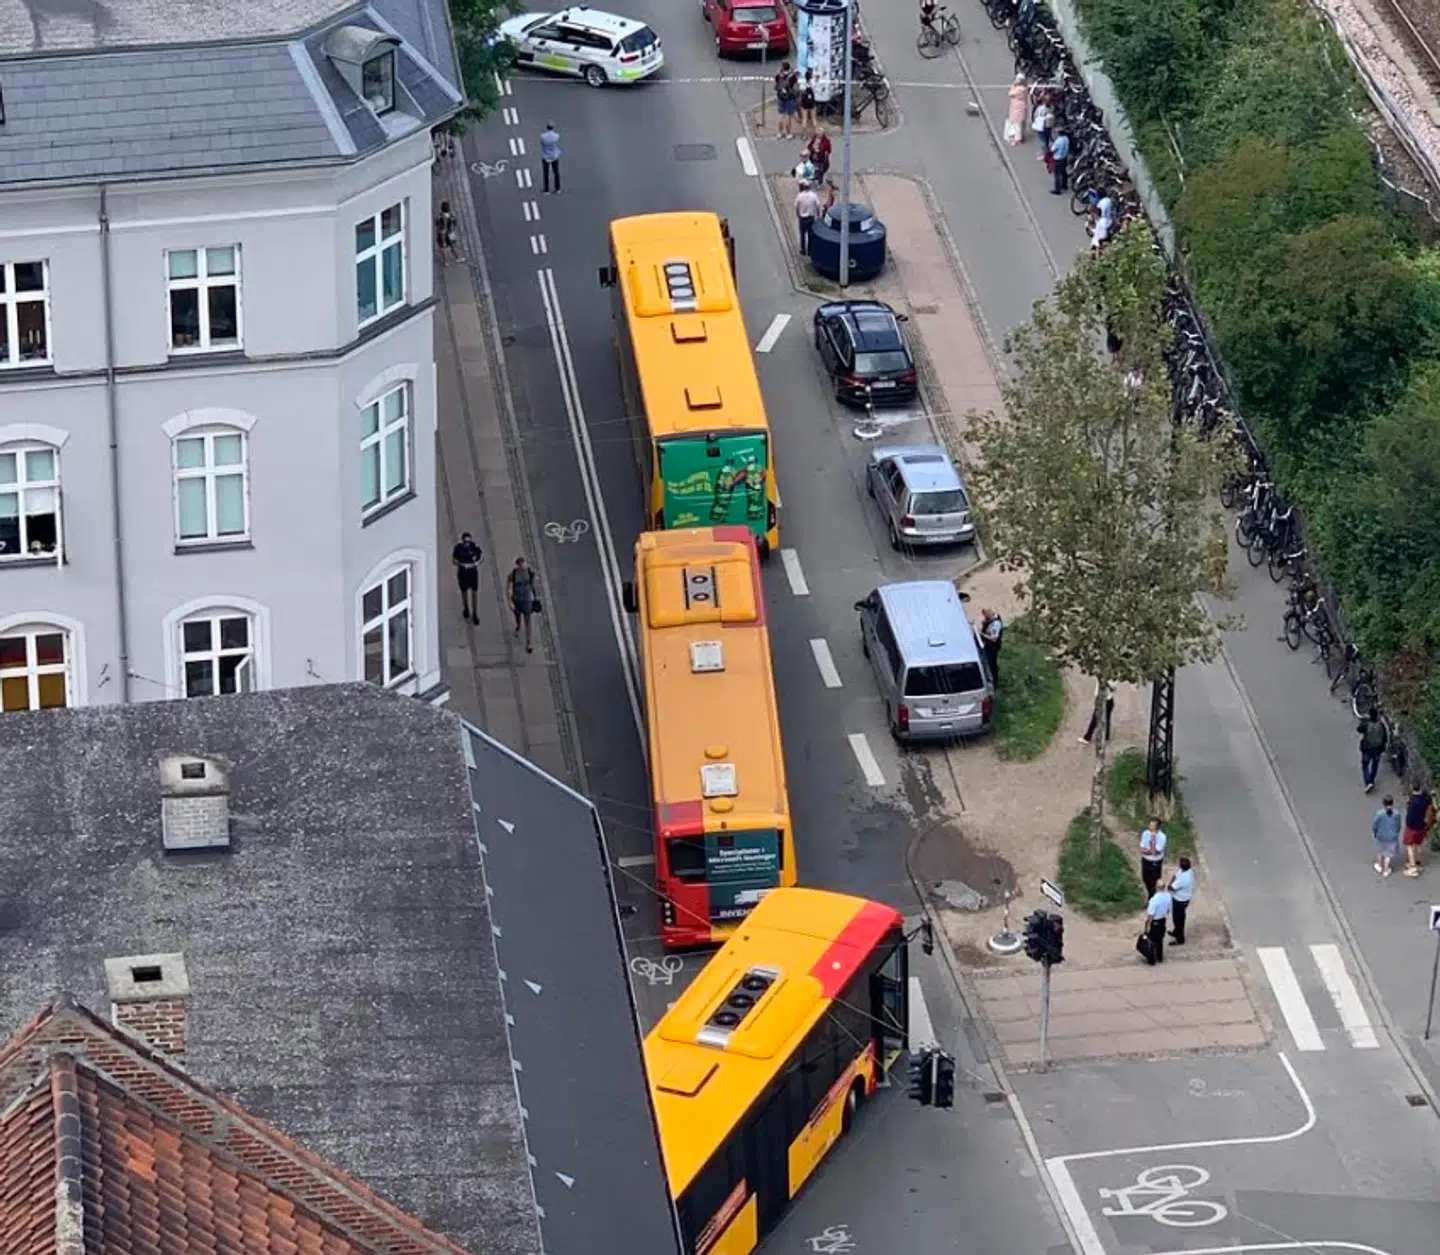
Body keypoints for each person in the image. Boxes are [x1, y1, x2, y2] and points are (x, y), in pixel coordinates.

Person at [506, 557, 540, 654]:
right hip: (517, 600)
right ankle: (518, 626)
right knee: (517, 616)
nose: (523, 567)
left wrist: (535, 597)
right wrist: (510, 602)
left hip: (527, 601)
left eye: (524, 564)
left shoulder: (529, 572)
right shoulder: (513, 575)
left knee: (528, 620)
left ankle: (529, 643)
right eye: (521, 565)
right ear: (518, 565)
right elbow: (509, 589)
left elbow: (533, 585)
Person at [1402, 779, 1433, 877]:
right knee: (1418, 844)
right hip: (1422, 826)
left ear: (1412, 787)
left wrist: (1408, 825)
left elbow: (1410, 816)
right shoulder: (1425, 798)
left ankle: (1412, 868)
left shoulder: (1412, 801)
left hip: (1412, 827)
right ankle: (1418, 863)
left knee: (1409, 846)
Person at [452, 531, 483, 625]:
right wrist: (460, 564)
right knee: (464, 591)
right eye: (465, 541)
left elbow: (481, 556)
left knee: (474, 593)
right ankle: (466, 608)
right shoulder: (458, 548)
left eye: (468, 541)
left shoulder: (474, 547)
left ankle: (475, 613)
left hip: (473, 572)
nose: (467, 543)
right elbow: (453, 560)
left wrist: (477, 563)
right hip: (463, 572)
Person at [1356, 707, 1387, 793]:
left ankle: (1368, 782)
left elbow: (1358, 729)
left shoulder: (1366, 724)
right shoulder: (1381, 725)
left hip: (1367, 748)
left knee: (1365, 765)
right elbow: (1385, 737)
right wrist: (1382, 748)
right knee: (1375, 765)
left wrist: (1364, 720)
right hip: (1377, 749)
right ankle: (1372, 779)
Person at [1142, 883, 1172, 966]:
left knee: (1151, 941)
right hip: (1162, 921)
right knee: (1160, 939)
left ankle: (1151, 959)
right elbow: (1169, 910)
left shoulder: (1154, 900)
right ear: (1164, 887)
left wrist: (1148, 926)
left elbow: (1150, 915)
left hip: (1154, 922)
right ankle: (1159, 956)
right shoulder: (1168, 897)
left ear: (1156, 887)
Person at [1372, 794, 1402, 878]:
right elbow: (1398, 826)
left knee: (1380, 850)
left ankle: (1379, 865)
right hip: (1392, 837)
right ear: (1392, 803)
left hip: (1381, 835)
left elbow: (1375, 824)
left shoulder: (1379, 813)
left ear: (1383, 803)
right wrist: (1396, 832)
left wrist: (1374, 832)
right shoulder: (1397, 814)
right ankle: (1385, 870)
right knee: (1388, 854)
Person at [1168, 856, 1195, 945]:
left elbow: (1171, 888)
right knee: (1177, 917)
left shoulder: (1184, 879)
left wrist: (1170, 884)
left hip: (1181, 900)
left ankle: (1180, 938)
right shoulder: (1185, 871)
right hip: (1180, 898)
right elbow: (1175, 875)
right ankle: (1176, 931)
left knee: (1178, 919)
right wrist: (1172, 880)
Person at [1080, 678, 1114, 745]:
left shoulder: (1112, 677)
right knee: (1105, 718)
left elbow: (1113, 688)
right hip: (1101, 699)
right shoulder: (1101, 673)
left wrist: (1105, 682)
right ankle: (1106, 737)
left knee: (1095, 719)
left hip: (1106, 700)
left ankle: (1087, 738)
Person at [1139, 817, 1167, 897]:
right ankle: (1151, 894)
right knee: (1145, 878)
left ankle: (1152, 897)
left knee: (1154, 881)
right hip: (1145, 860)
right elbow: (1142, 848)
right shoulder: (1145, 833)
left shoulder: (1162, 837)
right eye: (1149, 824)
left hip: (1156, 862)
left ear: (1157, 827)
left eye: (1152, 826)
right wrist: (1149, 852)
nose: (1149, 827)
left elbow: (1155, 852)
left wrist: (1153, 839)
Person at [795, 181, 820, 257]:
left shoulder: (799, 196)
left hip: (802, 218)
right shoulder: (813, 196)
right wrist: (818, 215)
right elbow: (818, 205)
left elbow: (796, 206)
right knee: (810, 235)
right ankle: (809, 250)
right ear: (809, 187)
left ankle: (803, 250)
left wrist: (798, 215)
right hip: (811, 218)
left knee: (802, 234)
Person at [774, 61, 799, 138]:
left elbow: (776, 85)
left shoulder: (778, 76)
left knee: (781, 115)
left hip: (780, 97)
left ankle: (779, 133)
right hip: (790, 97)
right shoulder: (792, 76)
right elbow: (795, 86)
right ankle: (788, 133)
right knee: (789, 115)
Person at [435, 200, 462, 265]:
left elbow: (436, 224)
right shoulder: (451, 215)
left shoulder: (439, 216)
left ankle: (446, 261)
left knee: (442, 247)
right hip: (450, 232)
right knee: (453, 245)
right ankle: (457, 258)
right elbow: (455, 222)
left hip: (442, 233)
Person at [980, 609, 1003, 683]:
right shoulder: (989, 621)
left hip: (992, 647)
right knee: (987, 662)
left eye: (986, 616)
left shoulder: (995, 623)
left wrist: (982, 635)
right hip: (988, 645)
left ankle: (994, 680)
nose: (984, 618)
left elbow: (994, 639)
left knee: (991, 664)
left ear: (990, 614)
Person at [1005, 73, 1027, 146]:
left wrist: (1013, 85)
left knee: (1017, 123)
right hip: (1022, 105)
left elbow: (1010, 93)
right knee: (1022, 122)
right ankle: (1021, 136)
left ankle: (1017, 138)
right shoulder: (1025, 88)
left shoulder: (1019, 89)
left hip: (1017, 106)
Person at [539, 122, 561, 194]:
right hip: (554, 156)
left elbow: (542, 144)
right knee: (556, 172)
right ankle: (557, 188)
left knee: (546, 173)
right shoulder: (556, 136)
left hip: (546, 156)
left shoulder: (543, 136)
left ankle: (546, 189)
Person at [1032, 94, 1053, 161]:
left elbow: (1035, 115)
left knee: (1043, 140)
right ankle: (1047, 151)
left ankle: (1045, 154)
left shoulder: (1040, 108)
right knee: (1047, 138)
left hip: (1040, 125)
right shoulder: (1050, 108)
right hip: (1048, 125)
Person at [1049, 129, 1070, 193]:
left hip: (1058, 159)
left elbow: (1052, 149)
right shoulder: (1066, 138)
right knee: (1063, 172)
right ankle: (1064, 185)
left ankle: (1057, 190)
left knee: (1057, 175)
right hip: (1064, 157)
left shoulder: (1058, 141)